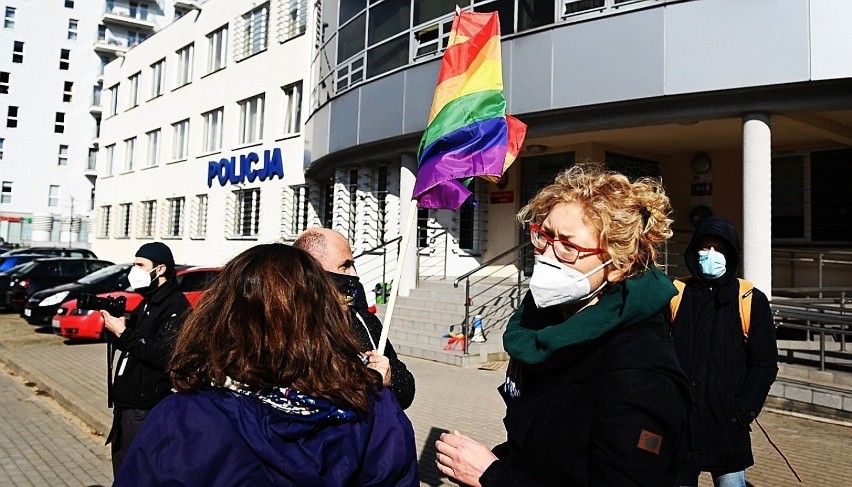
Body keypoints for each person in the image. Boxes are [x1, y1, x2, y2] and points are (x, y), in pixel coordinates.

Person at [435, 164, 691, 486]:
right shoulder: (548, 327)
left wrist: (493, 476)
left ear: (619, 264)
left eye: (569, 246)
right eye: (544, 235)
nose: (547, 255)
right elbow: (547, 449)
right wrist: (501, 460)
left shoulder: (640, 379)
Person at [113, 244, 418, 485]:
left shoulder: (181, 420)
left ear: (222, 316)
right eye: (346, 264)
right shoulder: (376, 409)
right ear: (324, 317)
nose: (354, 273)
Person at [670, 216, 778, 487]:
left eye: (719, 249)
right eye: (705, 248)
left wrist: (743, 411)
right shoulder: (676, 294)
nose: (711, 255)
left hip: (727, 428)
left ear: (731, 254)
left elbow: (764, 364)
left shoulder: (750, 299)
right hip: (681, 428)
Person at [294, 228, 416, 409]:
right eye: (345, 266)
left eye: (353, 264)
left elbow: (406, 389)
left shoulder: (364, 321)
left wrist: (390, 377)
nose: (354, 275)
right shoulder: (288, 326)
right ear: (313, 271)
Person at [101, 241, 190, 475]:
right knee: (123, 469)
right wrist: (115, 328)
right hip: (127, 404)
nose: (134, 271)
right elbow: (134, 344)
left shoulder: (175, 307)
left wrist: (123, 332)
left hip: (145, 408)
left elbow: (163, 356)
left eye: (140, 265)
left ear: (159, 269)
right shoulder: (148, 301)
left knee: (138, 472)